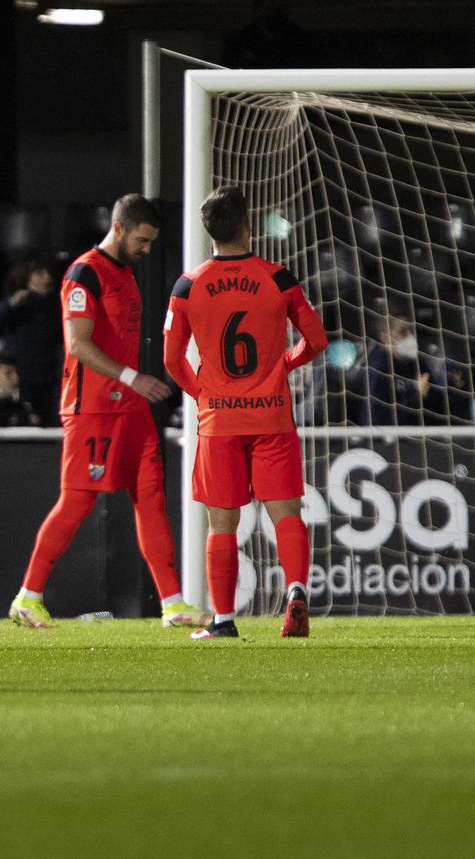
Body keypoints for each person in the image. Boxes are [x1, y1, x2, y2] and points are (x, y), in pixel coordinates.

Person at [9, 195, 205, 630]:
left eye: (151, 241)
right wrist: (135, 378)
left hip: (129, 408)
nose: (147, 249)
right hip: (93, 407)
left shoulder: (125, 271)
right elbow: (77, 344)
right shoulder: (84, 273)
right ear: (118, 228)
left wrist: (133, 387)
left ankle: (172, 604)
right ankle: (28, 595)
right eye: (142, 240)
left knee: (152, 497)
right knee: (78, 500)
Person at [162, 184, 329, 640]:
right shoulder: (278, 279)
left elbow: (171, 359)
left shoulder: (187, 286)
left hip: (218, 422)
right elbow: (316, 341)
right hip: (271, 416)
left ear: (207, 231)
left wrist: (203, 395)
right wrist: (284, 365)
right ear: (248, 225)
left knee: (222, 525)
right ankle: (295, 591)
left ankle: (222, 621)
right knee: (287, 515)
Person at [0, 258, 64, 426]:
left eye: (47, 273)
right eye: (39, 273)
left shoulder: (56, 304)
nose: (47, 278)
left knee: (49, 423)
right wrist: (11, 304)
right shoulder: (17, 302)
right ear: (27, 277)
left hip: (49, 377)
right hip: (21, 377)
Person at [361, 313, 443, 426]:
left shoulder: (416, 362)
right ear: (385, 337)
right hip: (385, 441)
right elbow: (380, 421)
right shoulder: (378, 366)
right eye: (403, 332)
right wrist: (417, 395)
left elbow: (439, 408)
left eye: (412, 331)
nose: (411, 337)